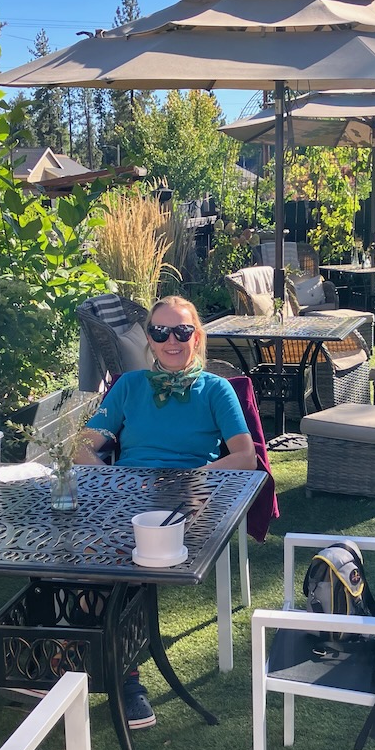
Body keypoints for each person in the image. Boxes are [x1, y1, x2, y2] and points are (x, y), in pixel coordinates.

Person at [73, 295, 256, 727]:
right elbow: (83, 445)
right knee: (81, 554)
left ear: (197, 337)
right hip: (127, 492)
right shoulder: (128, 386)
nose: (171, 341)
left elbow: (245, 457)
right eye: (160, 332)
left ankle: (123, 677)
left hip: (186, 499)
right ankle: (76, 658)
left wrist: (191, 479)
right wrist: (111, 479)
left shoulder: (216, 390)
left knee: (123, 556)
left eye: (181, 331)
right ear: (150, 340)